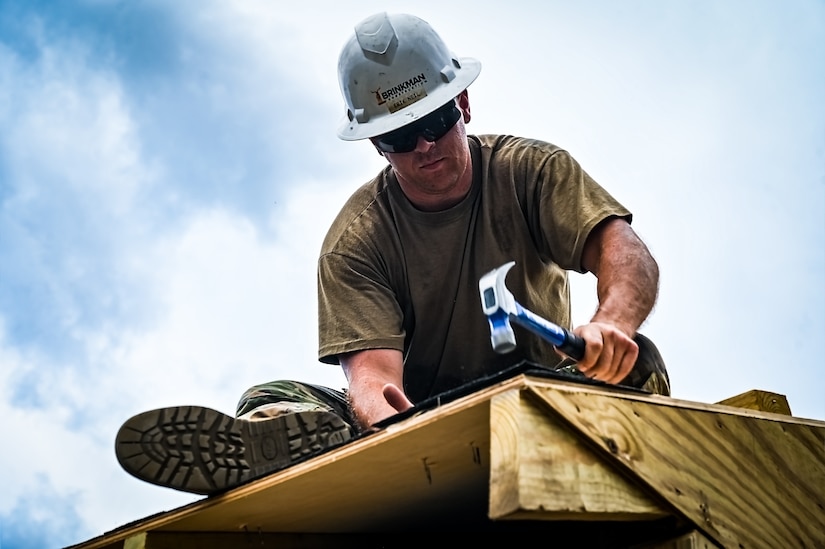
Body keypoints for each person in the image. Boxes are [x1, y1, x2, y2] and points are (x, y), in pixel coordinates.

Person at [114, 12, 670, 496]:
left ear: (464, 103)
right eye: (402, 137)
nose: (424, 145)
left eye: (432, 122)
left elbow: (623, 252)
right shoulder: (356, 243)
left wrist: (610, 325)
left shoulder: (532, 172)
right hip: (423, 421)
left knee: (639, 361)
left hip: (547, 394)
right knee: (276, 399)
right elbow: (373, 381)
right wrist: (393, 425)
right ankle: (288, 446)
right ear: (376, 145)